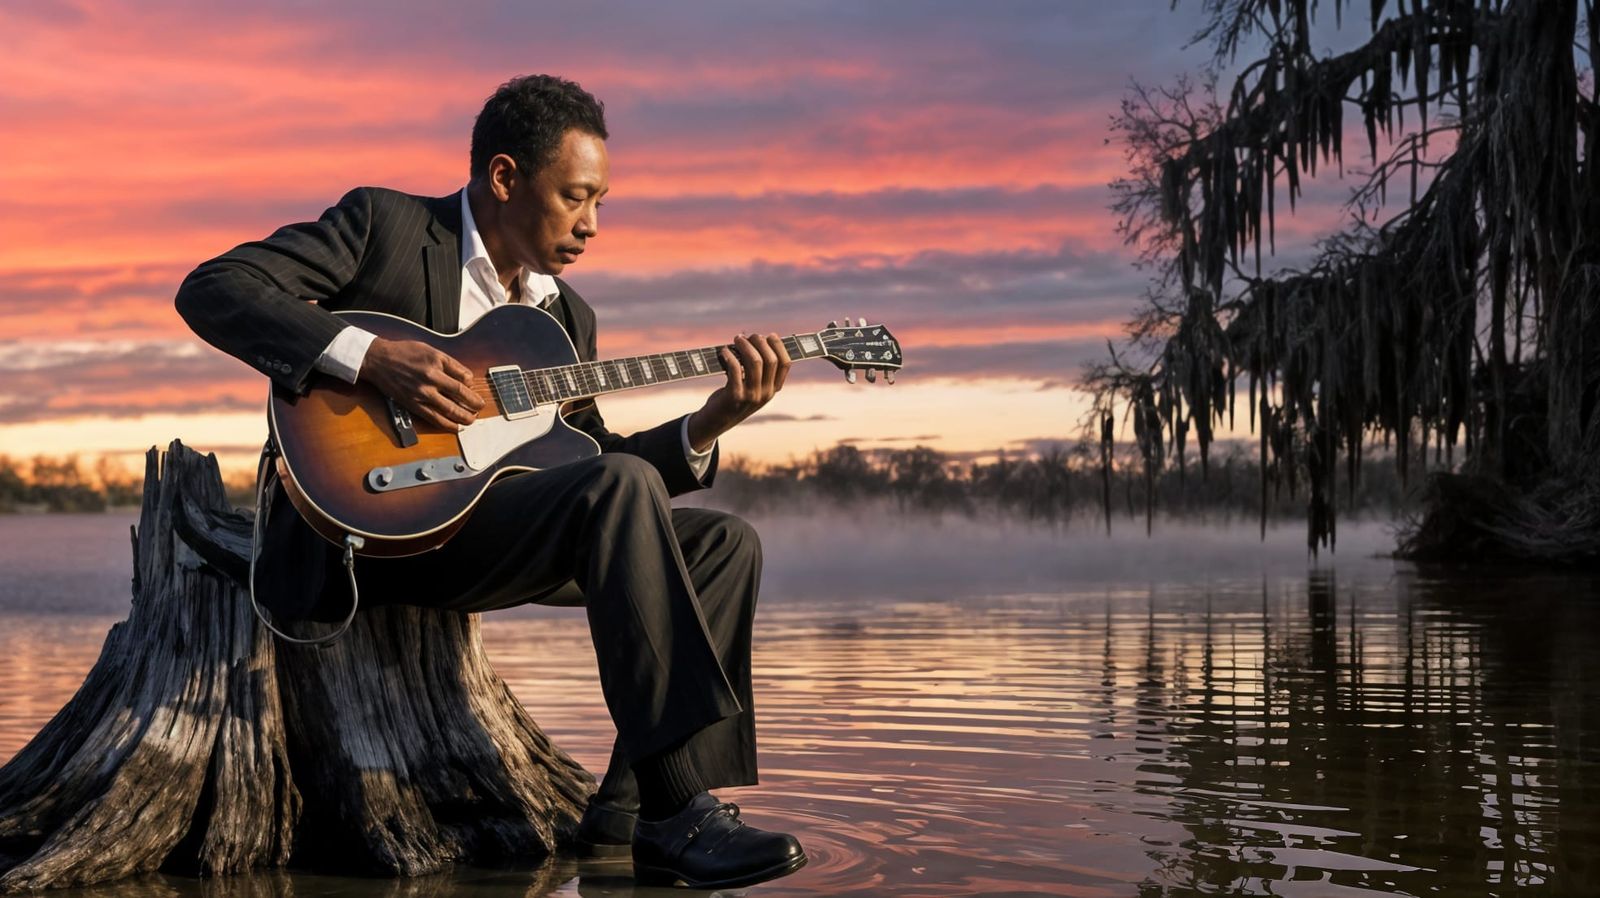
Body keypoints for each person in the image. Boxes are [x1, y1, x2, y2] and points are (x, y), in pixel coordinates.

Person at [174, 74, 807, 890]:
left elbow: (592, 465)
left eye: (602, 203)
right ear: (505, 178)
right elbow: (214, 288)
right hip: (366, 529)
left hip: (486, 532)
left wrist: (712, 421)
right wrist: (373, 358)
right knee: (617, 492)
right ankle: (683, 809)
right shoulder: (387, 227)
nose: (592, 224)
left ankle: (632, 810)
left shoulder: (567, 318)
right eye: (577, 197)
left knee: (724, 544)